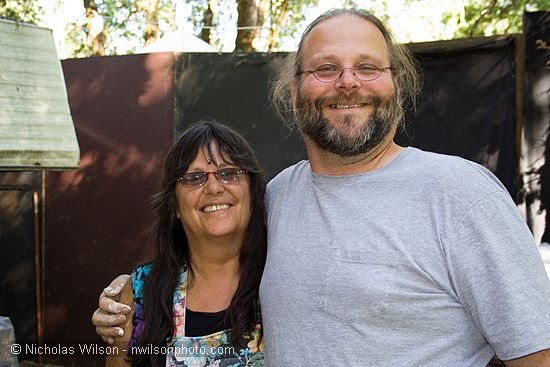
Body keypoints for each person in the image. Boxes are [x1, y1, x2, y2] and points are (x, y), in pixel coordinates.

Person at [94, 8, 550, 366]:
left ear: (396, 83)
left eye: (367, 67)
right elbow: (210, 262)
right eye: (326, 68)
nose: (348, 82)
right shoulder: (277, 197)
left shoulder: (461, 195)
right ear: (294, 92)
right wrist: (129, 293)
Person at [104, 120, 266, 367]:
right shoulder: (139, 294)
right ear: (175, 205)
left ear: (252, 193)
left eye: (229, 173)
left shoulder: (280, 281)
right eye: (194, 178)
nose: (213, 187)